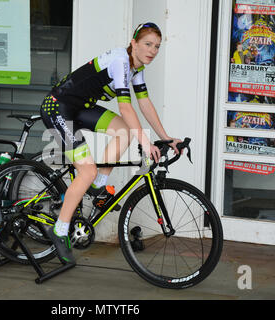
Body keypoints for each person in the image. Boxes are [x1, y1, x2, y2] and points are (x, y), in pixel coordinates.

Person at [40, 22, 182, 264]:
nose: (153, 50)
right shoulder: (120, 61)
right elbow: (125, 107)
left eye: (157, 46)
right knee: (86, 171)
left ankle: (99, 186)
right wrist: (146, 143)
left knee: (124, 132)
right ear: (134, 43)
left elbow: (145, 104)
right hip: (58, 107)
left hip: (80, 108)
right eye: (148, 44)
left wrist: (166, 137)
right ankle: (60, 231)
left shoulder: (137, 69)